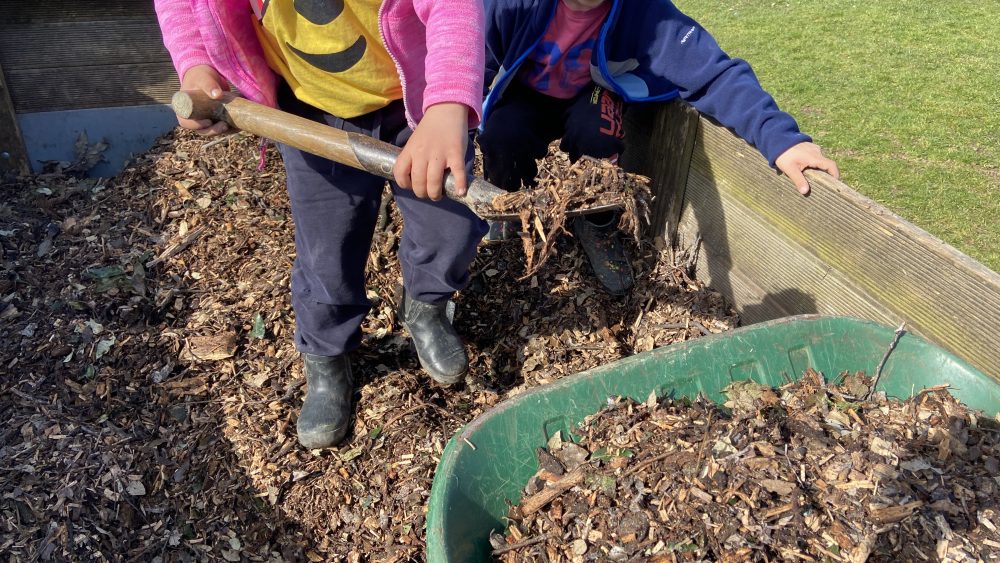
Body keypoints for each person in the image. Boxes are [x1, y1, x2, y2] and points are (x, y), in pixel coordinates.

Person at [154, 0, 489, 449]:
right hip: (312, 112)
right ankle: (327, 356)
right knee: (326, 251)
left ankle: (425, 306)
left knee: (450, 230)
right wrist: (197, 65)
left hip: (418, 104)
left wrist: (447, 102)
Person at [478, 0, 840, 295]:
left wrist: (781, 140)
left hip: (587, 93)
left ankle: (597, 224)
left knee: (597, 133)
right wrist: (447, 126)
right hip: (527, 93)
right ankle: (512, 211)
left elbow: (715, 74)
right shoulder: (510, 6)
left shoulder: (645, 13)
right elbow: (471, 60)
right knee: (500, 134)